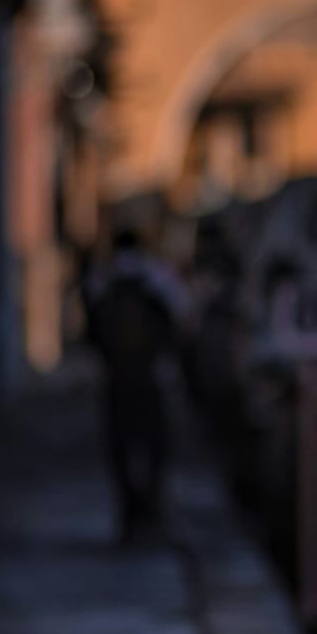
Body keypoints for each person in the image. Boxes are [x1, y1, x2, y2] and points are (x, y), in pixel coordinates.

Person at [86, 229, 188, 542]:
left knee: (120, 449)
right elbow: (181, 318)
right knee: (155, 448)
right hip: (151, 378)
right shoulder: (157, 276)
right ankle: (151, 511)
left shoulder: (103, 278)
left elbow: (90, 330)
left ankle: (130, 515)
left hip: (117, 380)